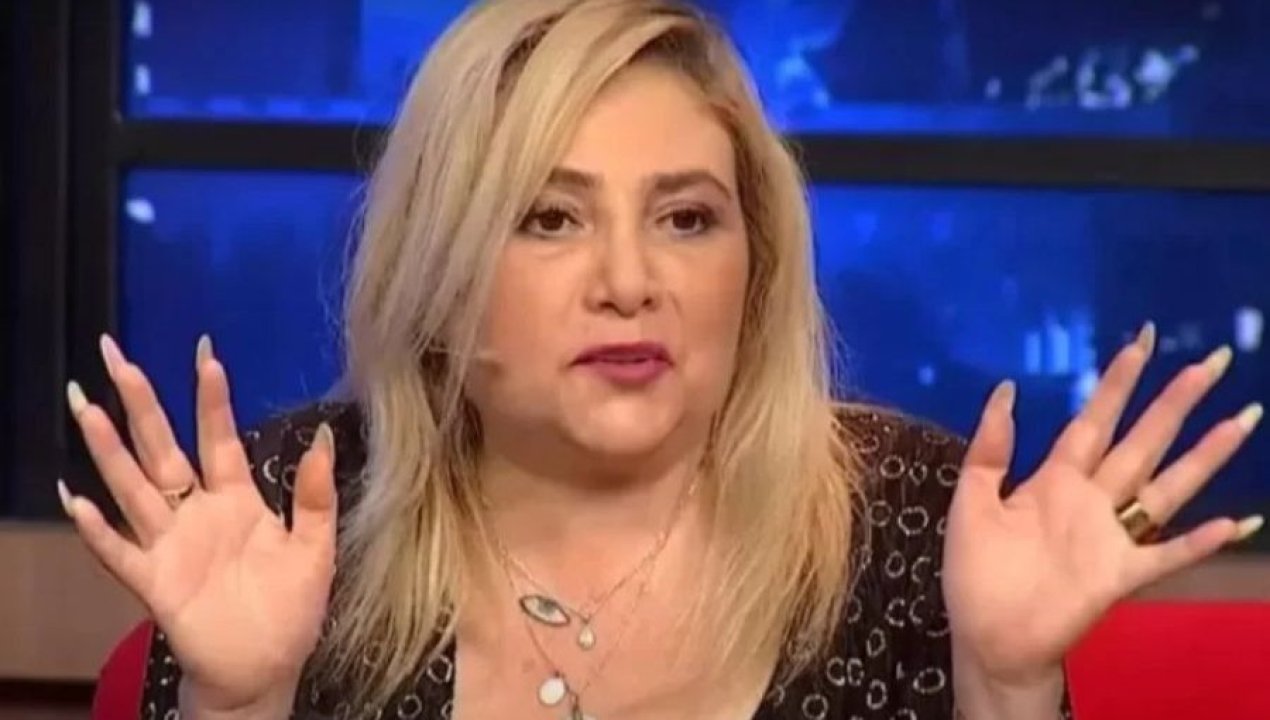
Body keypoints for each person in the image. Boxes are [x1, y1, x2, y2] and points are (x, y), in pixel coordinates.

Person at [59, 1, 1263, 718]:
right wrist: (237, 706)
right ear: (438, 273)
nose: (630, 281)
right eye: (550, 218)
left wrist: (1004, 691)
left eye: (686, 218)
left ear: (756, 266)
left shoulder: (916, 525)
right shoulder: (288, 514)